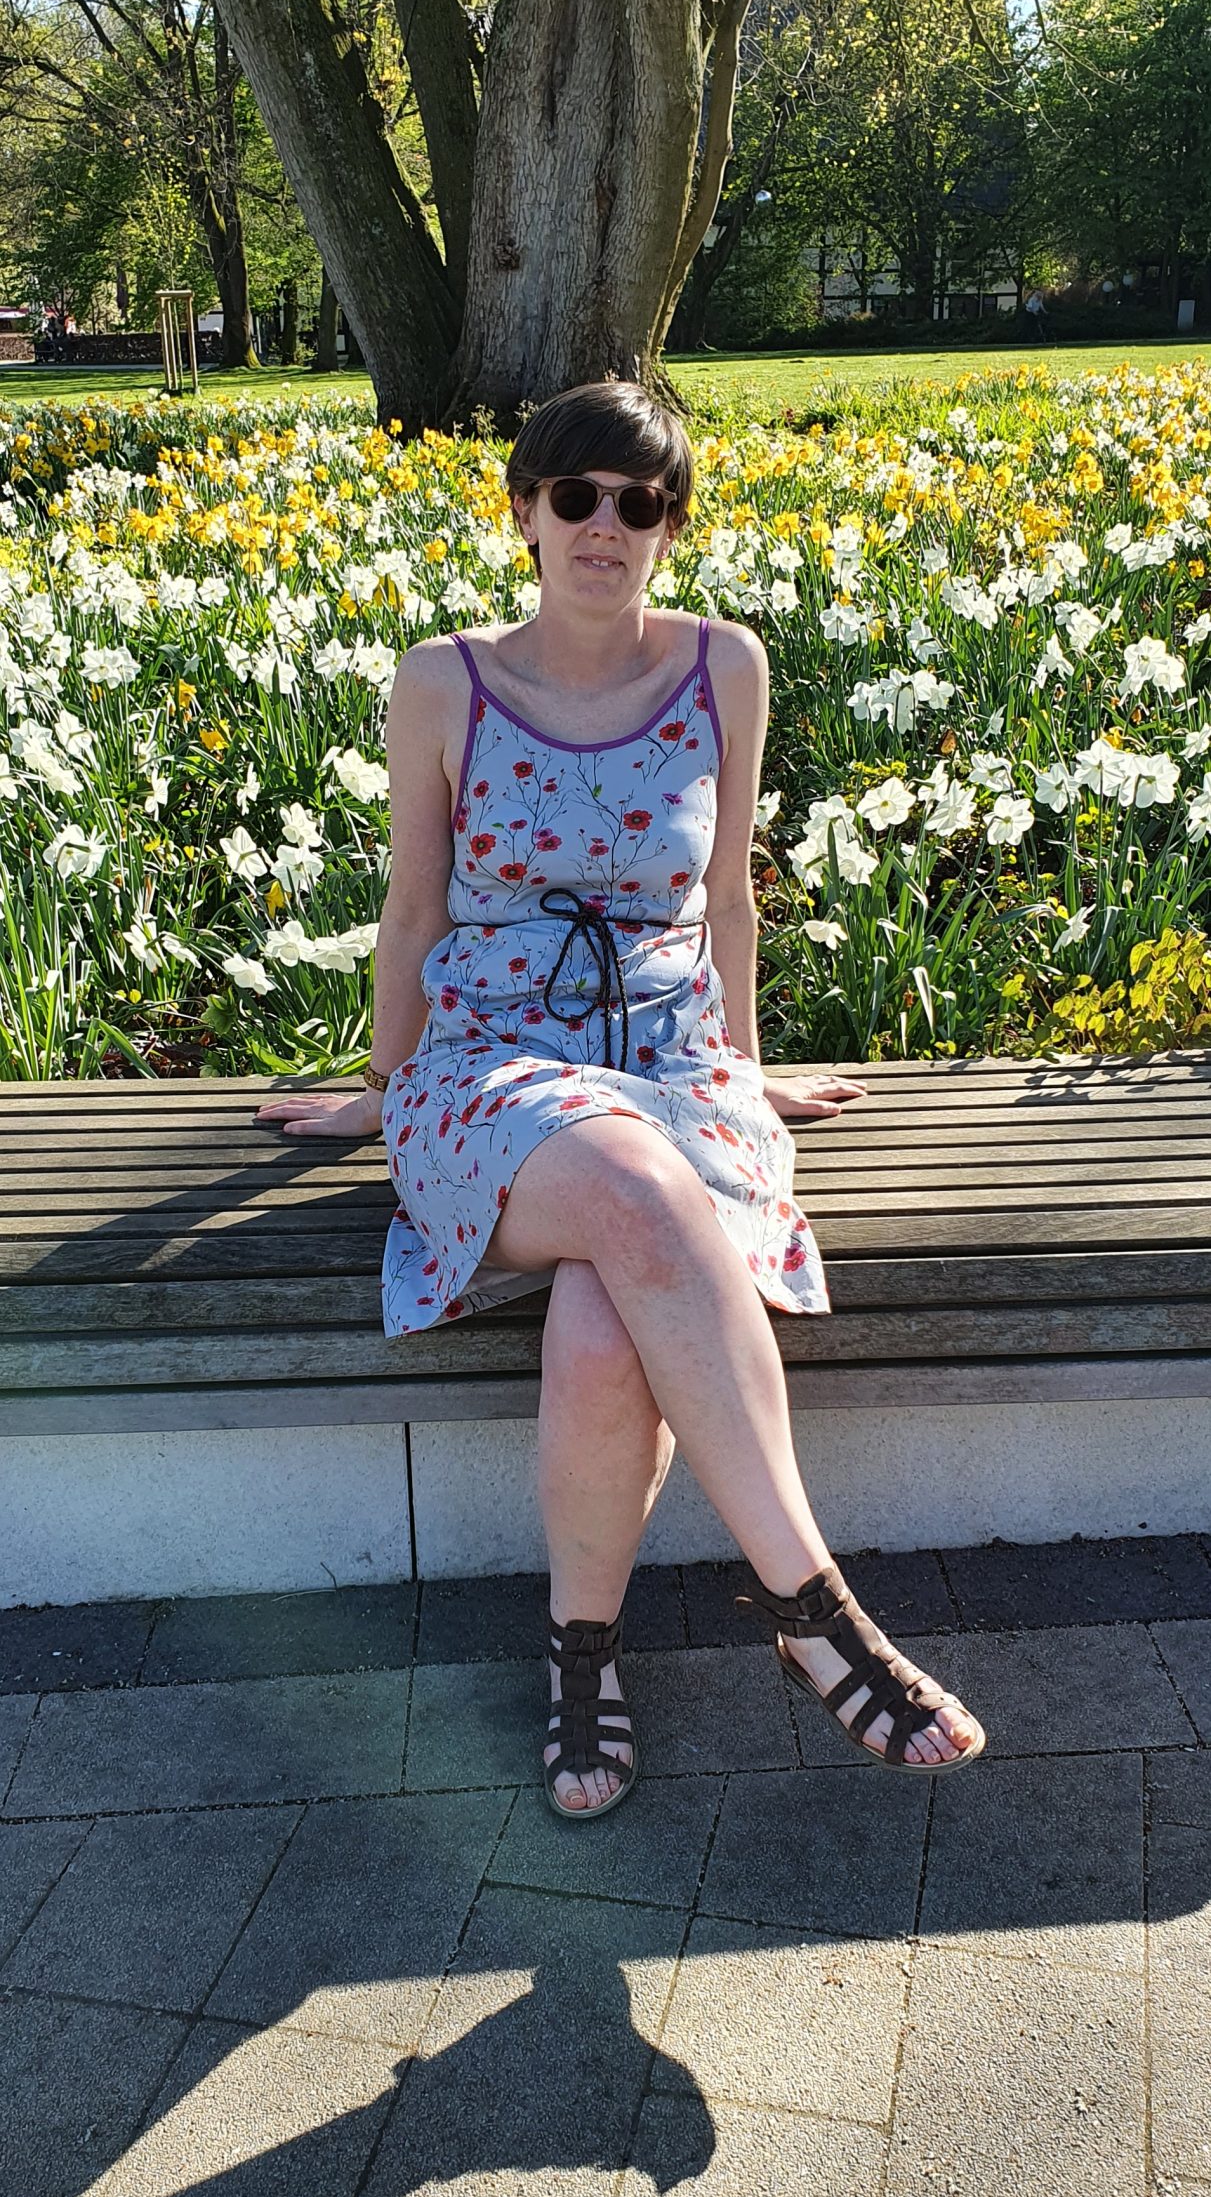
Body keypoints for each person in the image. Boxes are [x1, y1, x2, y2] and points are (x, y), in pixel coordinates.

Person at [256, 378, 986, 1817]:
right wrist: (384, 1093)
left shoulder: (724, 667)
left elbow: (730, 898)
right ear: (526, 511)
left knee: (603, 1325)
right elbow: (412, 912)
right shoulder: (445, 680)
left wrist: (747, 1071)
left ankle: (579, 1658)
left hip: (671, 1061)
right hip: (490, 1073)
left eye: (639, 502)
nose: (606, 524)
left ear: (669, 524)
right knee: (640, 1191)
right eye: (576, 495)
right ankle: (814, 1607)